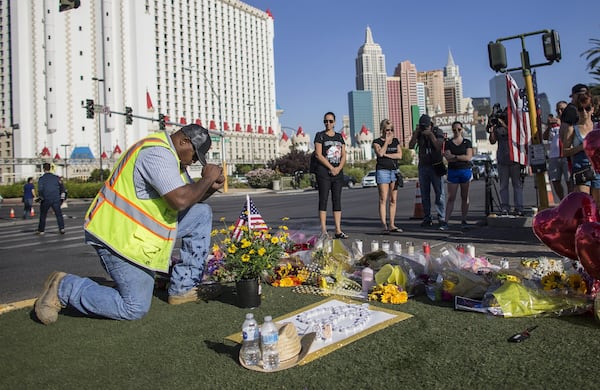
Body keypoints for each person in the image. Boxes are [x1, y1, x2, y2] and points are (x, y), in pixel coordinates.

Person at [34, 124, 224, 324]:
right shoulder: (157, 154)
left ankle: (183, 287)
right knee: (134, 307)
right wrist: (207, 178)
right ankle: (64, 287)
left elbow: (188, 197)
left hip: (142, 232)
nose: (194, 161)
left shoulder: (173, 159)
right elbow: (180, 200)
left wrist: (208, 187)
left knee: (201, 213)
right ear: (184, 141)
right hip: (118, 239)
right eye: (195, 156)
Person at [313, 111, 348, 239]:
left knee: (337, 200)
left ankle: (338, 230)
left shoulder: (339, 137)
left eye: (330, 121)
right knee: (323, 199)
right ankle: (324, 230)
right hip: (324, 172)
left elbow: (344, 154)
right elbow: (318, 154)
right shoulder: (320, 136)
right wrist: (331, 167)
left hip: (337, 173)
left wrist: (338, 168)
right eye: (326, 121)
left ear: (334, 122)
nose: (328, 123)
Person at [562, 92, 600, 205]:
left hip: (597, 169)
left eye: (587, 108)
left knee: (598, 204)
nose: (584, 112)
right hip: (581, 169)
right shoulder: (572, 129)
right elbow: (565, 151)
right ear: (577, 111)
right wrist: (581, 147)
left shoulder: (597, 127)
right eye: (580, 109)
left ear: (592, 109)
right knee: (585, 203)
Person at [408, 114, 446, 227]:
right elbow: (411, 146)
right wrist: (416, 133)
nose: (424, 129)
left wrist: (430, 135)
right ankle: (427, 217)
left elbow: (439, 146)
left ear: (431, 125)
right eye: (422, 127)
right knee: (424, 194)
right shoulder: (419, 133)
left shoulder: (437, 131)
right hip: (423, 166)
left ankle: (441, 217)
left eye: (426, 127)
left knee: (439, 193)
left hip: (436, 165)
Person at [488, 111, 524, 215]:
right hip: (502, 160)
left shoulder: (514, 126)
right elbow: (492, 141)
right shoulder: (497, 128)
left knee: (517, 184)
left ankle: (519, 207)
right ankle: (505, 207)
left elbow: (515, 135)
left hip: (514, 160)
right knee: (503, 185)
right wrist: (492, 130)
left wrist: (504, 124)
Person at [440, 121, 473, 230]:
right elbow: (448, 157)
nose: (456, 131)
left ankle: (464, 219)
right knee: (451, 197)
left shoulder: (467, 142)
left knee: (464, 196)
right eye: (454, 130)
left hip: (465, 170)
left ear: (462, 129)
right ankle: (446, 221)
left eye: (459, 129)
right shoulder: (449, 143)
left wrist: (455, 156)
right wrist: (459, 156)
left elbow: (468, 157)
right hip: (453, 171)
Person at [372, 119, 403, 234]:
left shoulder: (395, 141)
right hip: (382, 171)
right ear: (382, 130)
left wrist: (386, 154)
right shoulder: (377, 142)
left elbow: (400, 155)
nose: (389, 132)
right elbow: (379, 153)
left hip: (394, 171)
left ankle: (392, 224)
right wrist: (386, 142)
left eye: (391, 130)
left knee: (393, 199)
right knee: (383, 198)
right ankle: (384, 225)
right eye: (387, 130)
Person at [543, 101, 571, 200]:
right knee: (555, 180)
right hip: (554, 156)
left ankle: (570, 201)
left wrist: (562, 123)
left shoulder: (571, 121)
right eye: (557, 110)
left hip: (567, 154)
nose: (559, 112)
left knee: (569, 180)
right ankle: (562, 200)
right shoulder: (553, 124)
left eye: (562, 109)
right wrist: (548, 126)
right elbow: (545, 137)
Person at [36, 163, 65, 234]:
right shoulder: (56, 177)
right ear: (50, 168)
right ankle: (61, 228)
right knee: (58, 214)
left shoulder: (42, 179)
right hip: (56, 198)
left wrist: (40, 197)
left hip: (46, 199)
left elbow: (40, 189)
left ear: (43, 169)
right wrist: (62, 198)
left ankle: (41, 230)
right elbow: (62, 188)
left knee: (43, 215)